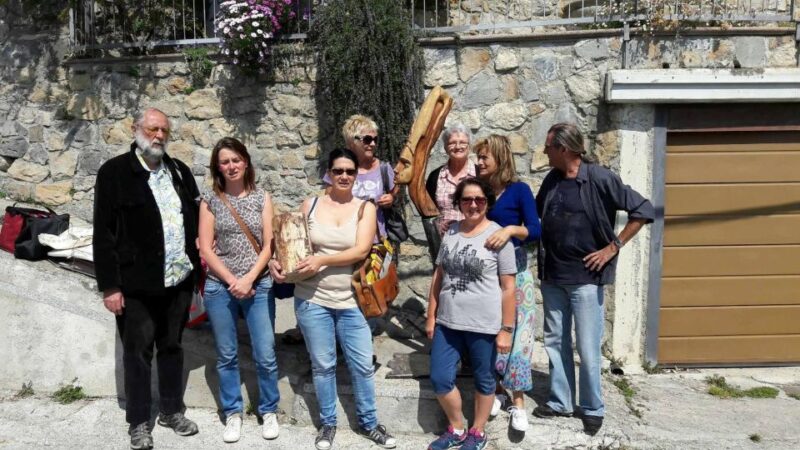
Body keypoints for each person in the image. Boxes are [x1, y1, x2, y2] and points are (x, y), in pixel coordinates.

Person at [269, 148, 397, 450]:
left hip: (352, 300)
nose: (344, 176)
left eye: (350, 172)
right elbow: (291, 242)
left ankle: (369, 423)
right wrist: (278, 261)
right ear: (329, 172)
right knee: (323, 365)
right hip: (312, 299)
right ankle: (327, 424)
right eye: (338, 170)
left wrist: (322, 260)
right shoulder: (310, 205)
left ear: (356, 175)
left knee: (362, 365)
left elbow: (361, 251)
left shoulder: (365, 208)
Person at [534, 123, 654, 435]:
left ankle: (591, 407)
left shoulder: (599, 178)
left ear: (564, 149)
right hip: (553, 276)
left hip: (586, 279)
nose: (545, 152)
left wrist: (612, 247)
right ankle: (560, 401)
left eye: (549, 146)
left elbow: (643, 209)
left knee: (587, 348)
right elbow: (537, 215)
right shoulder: (552, 179)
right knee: (555, 342)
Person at [93, 108, 200, 450]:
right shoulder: (114, 173)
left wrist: (196, 271)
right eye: (153, 129)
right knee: (137, 353)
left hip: (177, 280)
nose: (159, 136)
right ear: (136, 129)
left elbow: (195, 220)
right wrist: (110, 286)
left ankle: (170, 411)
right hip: (136, 285)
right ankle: (139, 422)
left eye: (164, 131)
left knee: (172, 347)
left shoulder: (179, 171)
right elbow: (103, 233)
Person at [198, 137, 279, 443]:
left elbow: (270, 243)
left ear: (246, 162)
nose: (231, 166)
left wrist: (248, 279)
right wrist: (233, 279)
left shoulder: (261, 198)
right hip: (221, 286)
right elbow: (206, 248)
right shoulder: (210, 200)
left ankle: (268, 409)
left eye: (235, 160)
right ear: (217, 167)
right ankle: (233, 412)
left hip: (258, 285)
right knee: (226, 354)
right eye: (224, 161)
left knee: (266, 352)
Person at [426, 177, 517, 450]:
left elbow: (509, 288)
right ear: (459, 203)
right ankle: (456, 427)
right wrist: (431, 316)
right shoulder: (451, 232)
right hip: (448, 322)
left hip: (484, 324)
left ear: (487, 202)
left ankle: (478, 431)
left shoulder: (498, 236)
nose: (473, 204)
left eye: (479, 199)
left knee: (485, 378)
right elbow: (438, 275)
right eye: (467, 199)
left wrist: (507, 330)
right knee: (440, 377)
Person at [474, 134, 541, 432]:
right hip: (488, 276)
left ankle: (519, 403)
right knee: (491, 334)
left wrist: (511, 229)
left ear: (500, 158)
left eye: (484, 157)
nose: (479, 162)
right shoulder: (481, 193)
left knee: (519, 337)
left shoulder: (519, 191)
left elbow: (536, 231)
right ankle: (497, 392)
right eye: (478, 157)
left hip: (518, 275)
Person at [423, 122, 477, 262]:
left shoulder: (480, 175)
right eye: (452, 143)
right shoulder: (436, 176)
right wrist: (438, 224)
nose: (458, 147)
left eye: (462, 142)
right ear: (446, 148)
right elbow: (428, 213)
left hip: (476, 242)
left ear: (469, 146)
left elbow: (490, 208)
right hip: (444, 245)